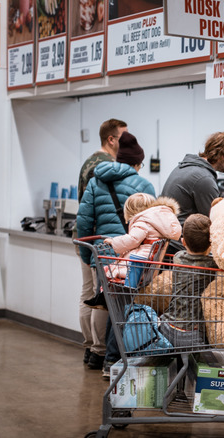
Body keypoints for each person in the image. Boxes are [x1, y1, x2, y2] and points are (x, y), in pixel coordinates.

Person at [76, 131, 154, 373]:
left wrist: (89, 256)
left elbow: (83, 221)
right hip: (131, 255)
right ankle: (113, 359)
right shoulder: (144, 185)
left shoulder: (96, 180)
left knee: (102, 301)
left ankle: (96, 355)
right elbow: (149, 223)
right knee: (122, 307)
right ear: (137, 163)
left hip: (103, 252)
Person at [75, 118, 127, 368]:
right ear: (111, 139)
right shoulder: (107, 166)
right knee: (101, 296)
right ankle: (98, 350)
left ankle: (88, 346)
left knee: (88, 294)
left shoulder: (89, 162)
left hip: (84, 239)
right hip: (100, 242)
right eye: (123, 138)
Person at [161, 131, 224, 223]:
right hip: (183, 234)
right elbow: (215, 221)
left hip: (171, 231)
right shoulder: (203, 179)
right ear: (223, 155)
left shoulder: (187, 167)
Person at [161, 214, 218, 336]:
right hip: (195, 333)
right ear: (210, 243)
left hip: (168, 327)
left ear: (183, 241)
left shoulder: (178, 257)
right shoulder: (212, 265)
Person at [102, 193, 182, 279]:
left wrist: (114, 242)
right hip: (145, 263)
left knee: (108, 271)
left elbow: (133, 239)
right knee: (110, 269)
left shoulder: (142, 222)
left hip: (138, 265)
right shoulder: (154, 222)